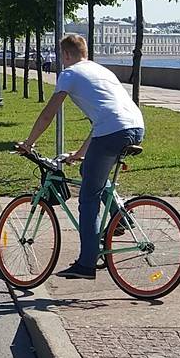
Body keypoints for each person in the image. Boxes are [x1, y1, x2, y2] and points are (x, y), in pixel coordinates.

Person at [16, 33, 144, 280]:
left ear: (65, 54)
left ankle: (86, 264)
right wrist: (79, 154)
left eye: (61, 57)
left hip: (113, 131)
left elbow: (48, 114)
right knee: (89, 172)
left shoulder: (70, 74)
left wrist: (28, 144)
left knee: (87, 199)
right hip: (136, 126)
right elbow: (102, 120)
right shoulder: (101, 70)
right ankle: (120, 215)